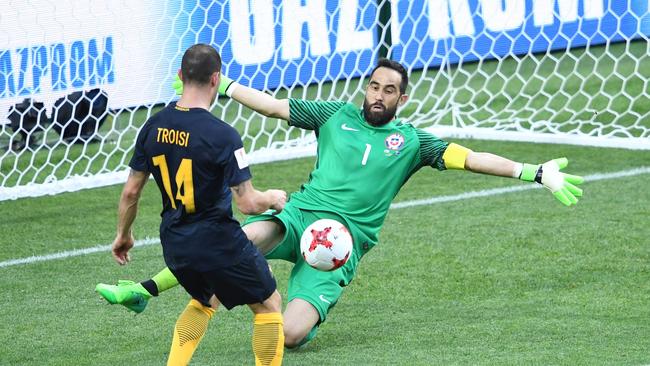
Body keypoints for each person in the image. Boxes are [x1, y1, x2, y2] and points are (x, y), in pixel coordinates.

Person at [97, 58, 584, 348]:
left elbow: (473, 157)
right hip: (301, 214)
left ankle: (281, 310)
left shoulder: (414, 142)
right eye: (374, 86)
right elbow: (273, 105)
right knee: (243, 237)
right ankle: (144, 289)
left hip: (342, 245)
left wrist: (534, 172)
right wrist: (221, 86)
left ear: (402, 98)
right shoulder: (334, 115)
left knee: (289, 336)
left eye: (389, 90)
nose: (378, 95)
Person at [100, 43, 287, 366]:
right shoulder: (223, 135)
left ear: (179, 76)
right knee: (269, 304)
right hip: (217, 241)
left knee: (205, 299)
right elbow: (248, 203)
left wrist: (123, 235)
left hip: (175, 242)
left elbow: (131, 192)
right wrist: (274, 197)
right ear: (216, 79)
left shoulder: (153, 126)